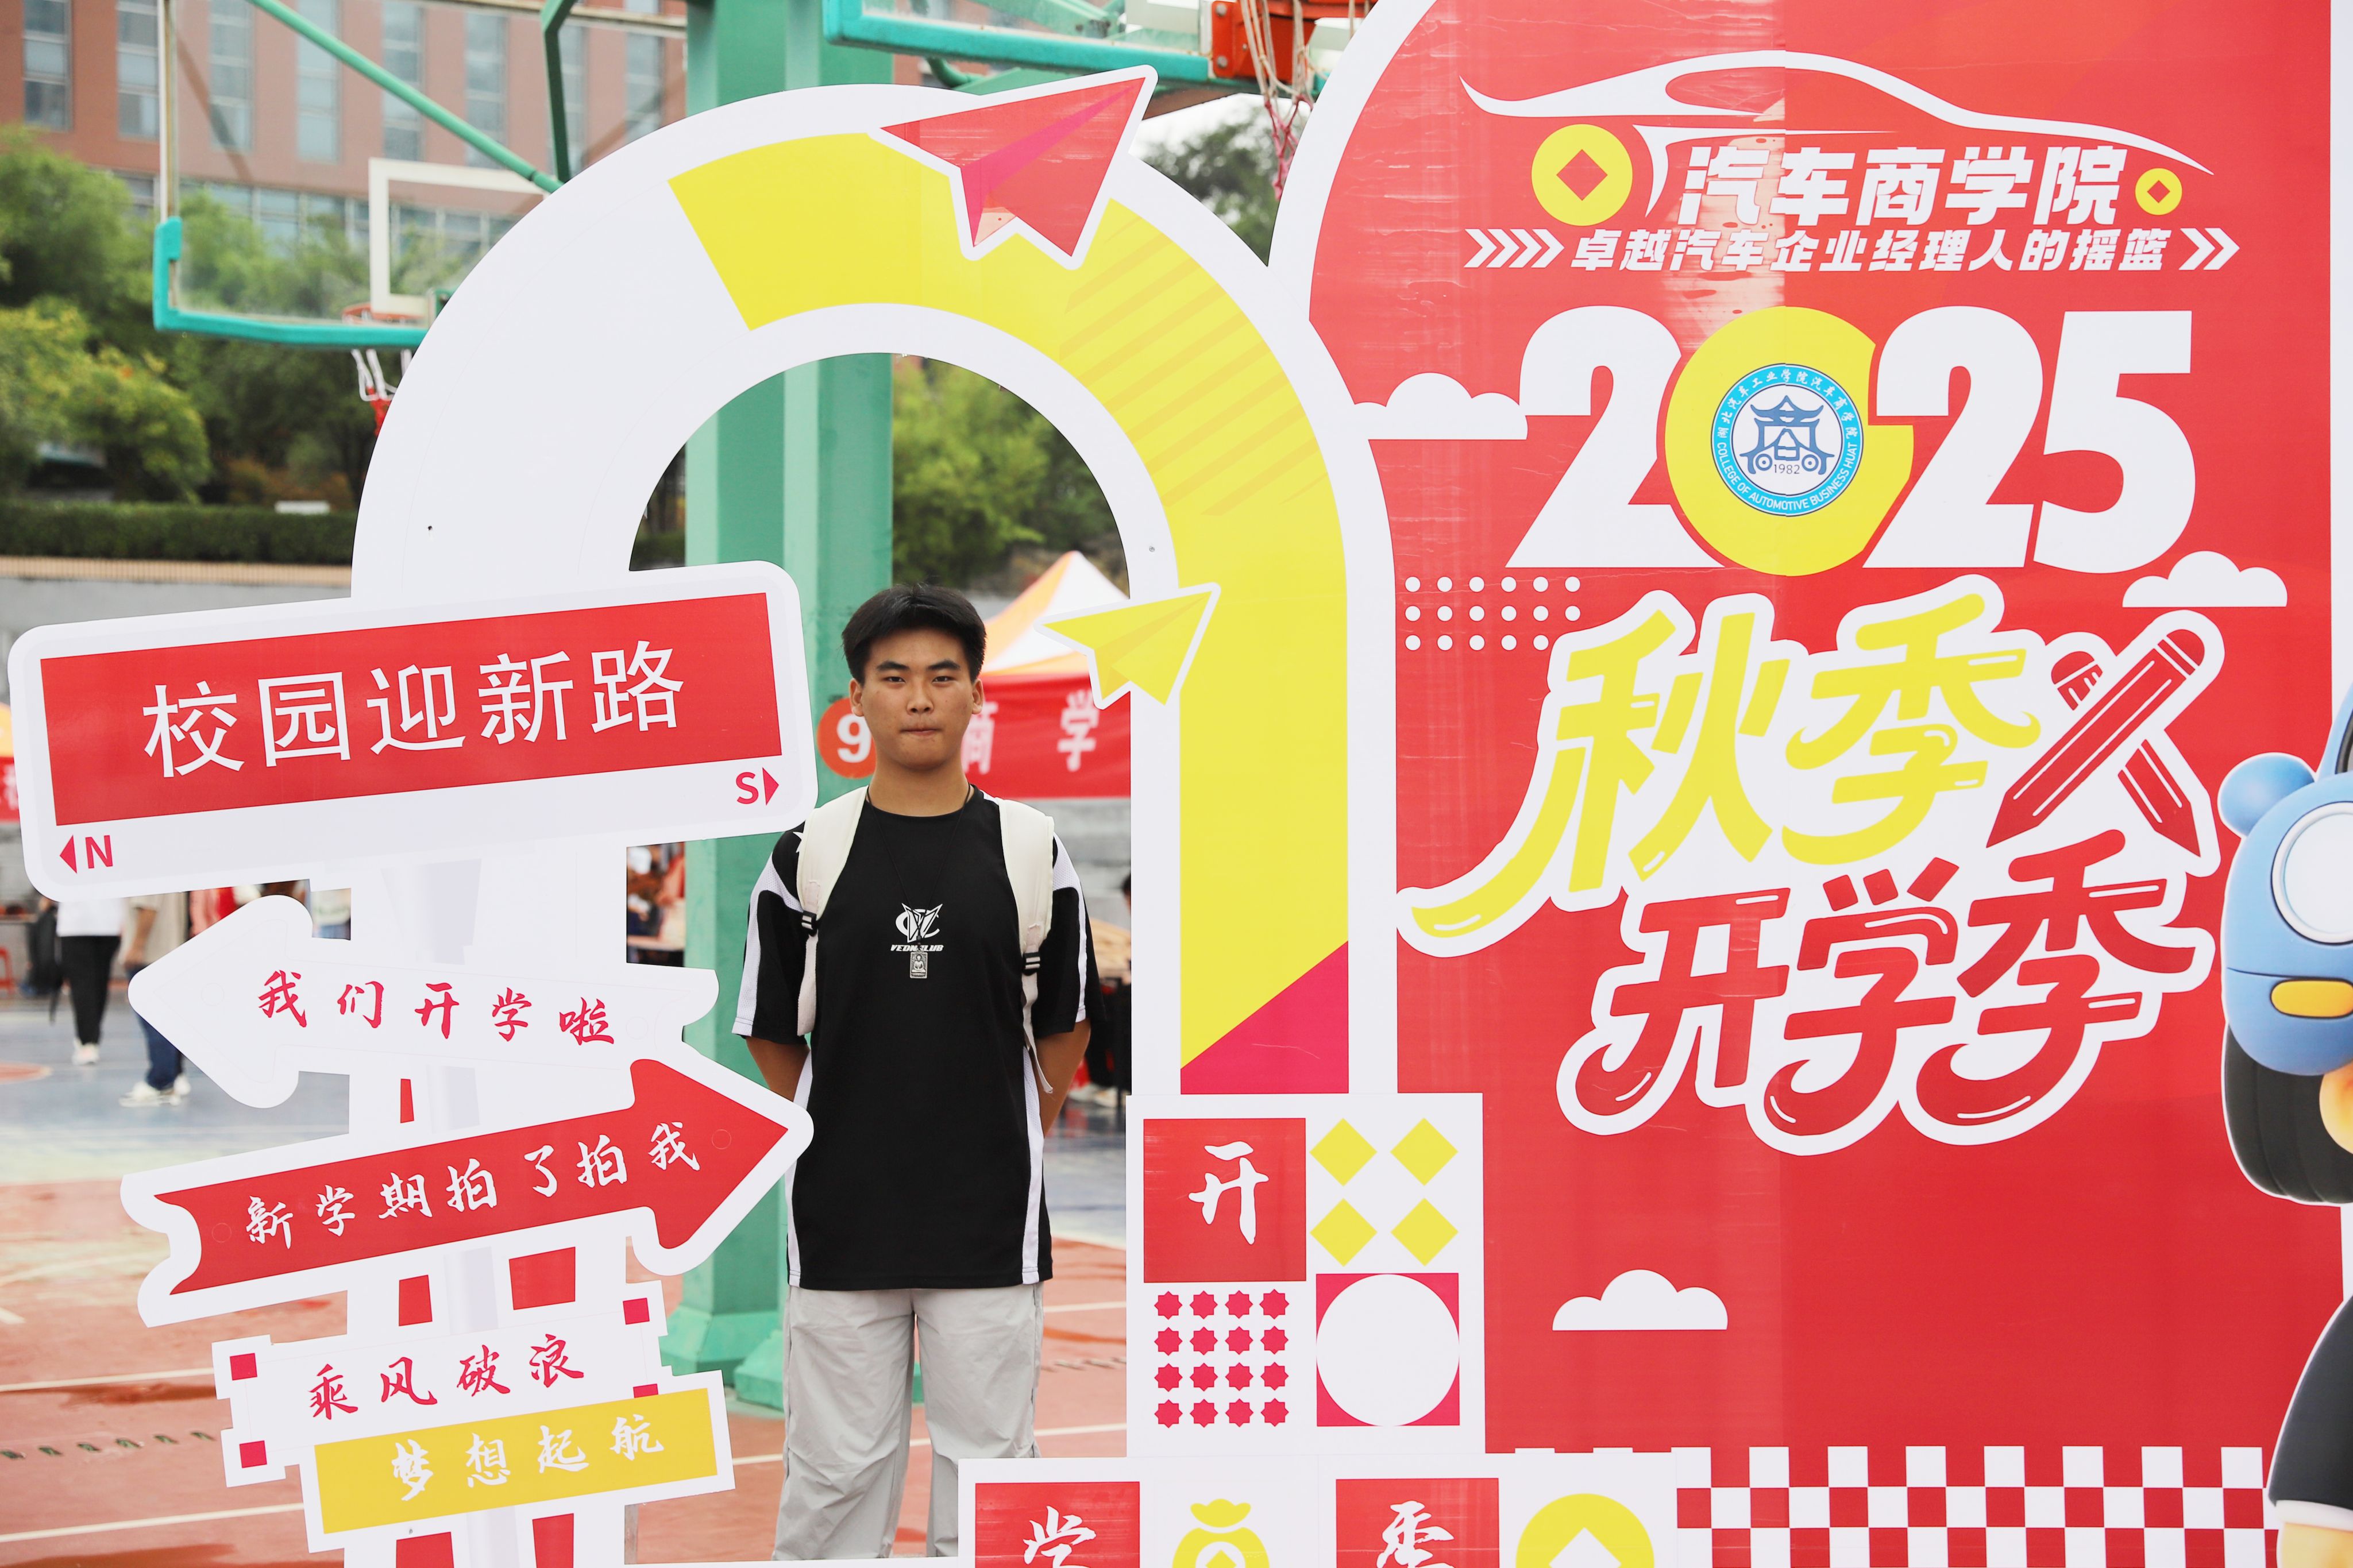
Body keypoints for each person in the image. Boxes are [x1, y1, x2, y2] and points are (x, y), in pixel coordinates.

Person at [735, 584, 1094, 1562]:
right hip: (841, 1219)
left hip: (990, 1223)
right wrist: (838, 1128)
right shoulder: (807, 853)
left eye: (943, 675)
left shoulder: (1030, 848)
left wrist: (1014, 1129)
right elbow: (772, 1028)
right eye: (893, 677)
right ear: (857, 698)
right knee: (835, 1473)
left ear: (977, 693)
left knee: (990, 1472)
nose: (920, 697)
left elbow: (1064, 1023)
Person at [119, 891, 192, 1106]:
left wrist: (137, 946)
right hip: (171, 951)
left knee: (156, 1023)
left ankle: (160, 1082)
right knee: (170, 1022)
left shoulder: (146, 874)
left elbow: (149, 907)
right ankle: (174, 1075)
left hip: (150, 955)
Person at [55, 897, 124, 1066]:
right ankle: (90, 1038)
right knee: (97, 984)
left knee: (84, 985)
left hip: (79, 924)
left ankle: (88, 1041)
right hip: (109, 922)